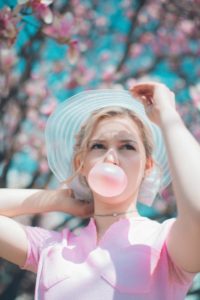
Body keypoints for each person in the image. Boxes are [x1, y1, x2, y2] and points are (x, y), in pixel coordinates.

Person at [0, 82, 200, 300]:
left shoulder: (164, 243)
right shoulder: (51, 248)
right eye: (98, 146)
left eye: (127, 146)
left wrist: (168, 116)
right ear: (81, 164)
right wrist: (57, 199)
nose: (111, 157)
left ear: (148, 165)